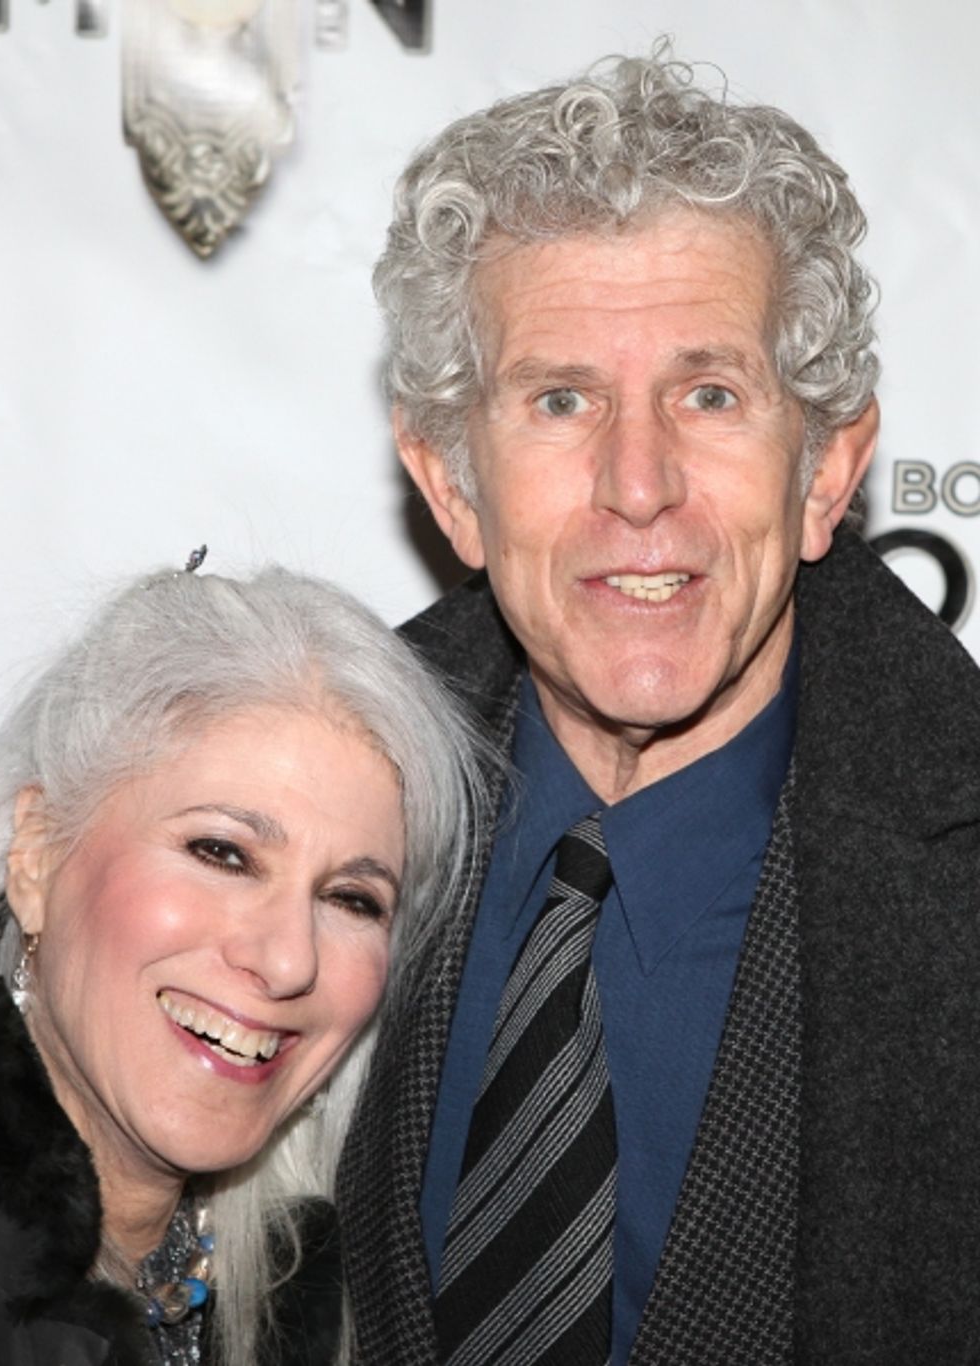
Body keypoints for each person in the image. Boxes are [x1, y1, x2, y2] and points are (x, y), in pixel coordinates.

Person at [337, 48, 980, 1366]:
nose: (639, 485)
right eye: (562, 398)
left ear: (826, 473)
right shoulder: (298, 812)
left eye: (709, 394)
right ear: (452, 485)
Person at [0, 563, 483, 1366]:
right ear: (38, 854)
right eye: (222, 853)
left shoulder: (330, 1306)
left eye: (353, 899)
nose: (289, 959)